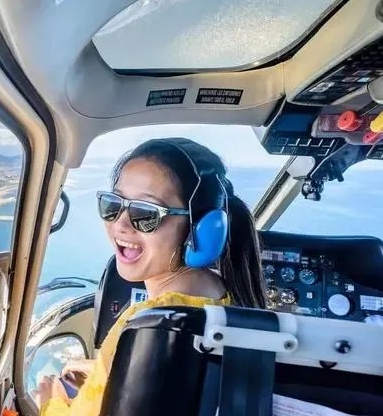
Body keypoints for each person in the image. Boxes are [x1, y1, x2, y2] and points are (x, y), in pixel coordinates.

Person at [34, 137, 266, 416]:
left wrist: (50, 403)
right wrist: (104, 371)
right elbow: (173, 381)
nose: (120, 224)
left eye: (146, 213)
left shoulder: (146, 323)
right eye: (113, 204)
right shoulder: (222, 295)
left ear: (201, 228)